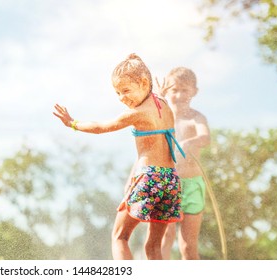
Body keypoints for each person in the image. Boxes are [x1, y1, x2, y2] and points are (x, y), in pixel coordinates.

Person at [53, 53, 185, 260]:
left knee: (120, 237)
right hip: (171, 181)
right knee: (153, 247)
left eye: (125, 90)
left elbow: (100, 127)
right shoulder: (163, 104)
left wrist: (72, 123)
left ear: (143, 83)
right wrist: (154, 86)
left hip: (149, 178)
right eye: (117, 93)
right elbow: (157, 95)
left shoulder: (137, 113)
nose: (122, 98)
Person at [157, 67, 211, 260]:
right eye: (174, 90)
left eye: (185, 90)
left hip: (192, 185)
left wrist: (190, 142)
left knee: (188, 246)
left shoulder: (196, 117)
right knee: (165, 237)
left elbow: (205, 138)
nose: (179, 95)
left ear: (194, 91)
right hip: (168, 183)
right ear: (166, 92)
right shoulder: (162, 118)